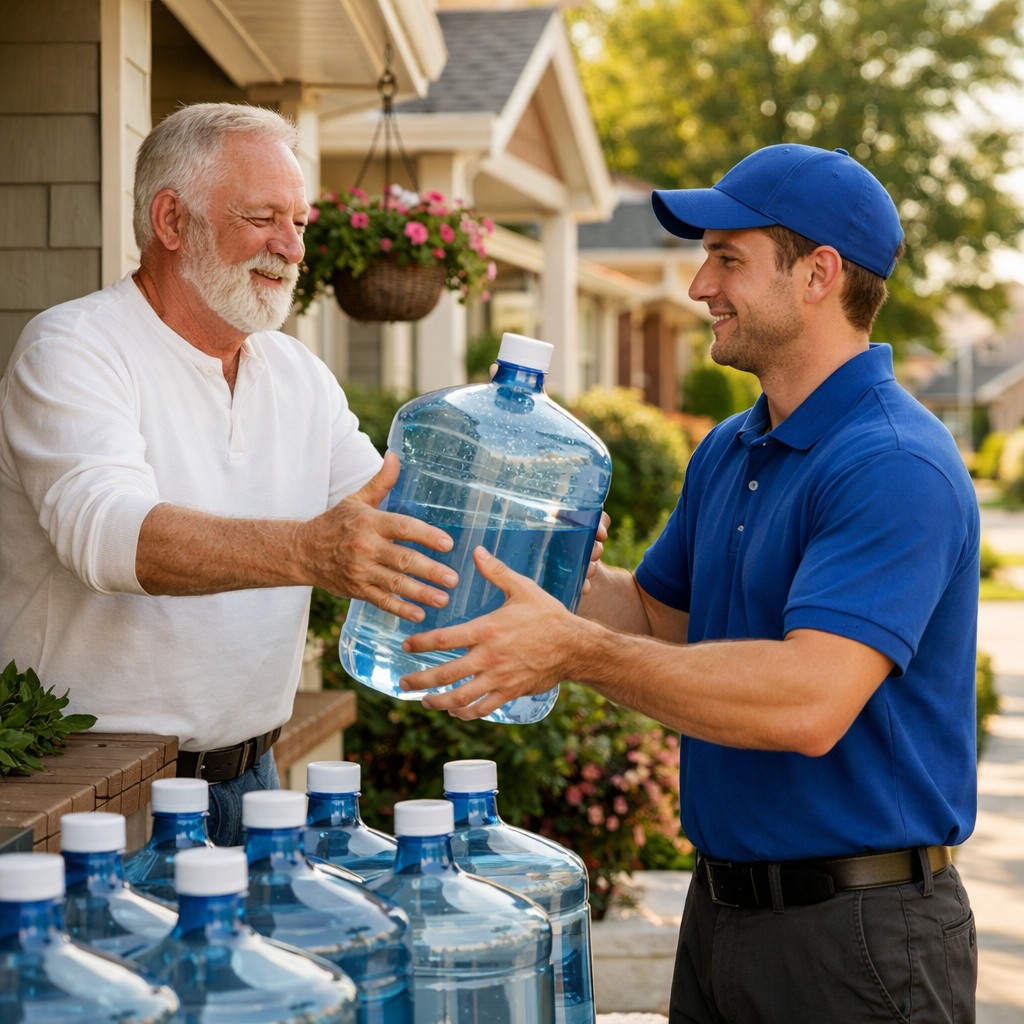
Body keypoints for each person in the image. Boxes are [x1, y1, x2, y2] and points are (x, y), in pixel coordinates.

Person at [399, 144, 980, 1023]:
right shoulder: (733, 448)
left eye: (728, 258)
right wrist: (519, 559)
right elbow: (659, 616)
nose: (699, 284)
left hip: (861, 939)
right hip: (723, 917)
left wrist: (574, 652)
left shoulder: (892, 464)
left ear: (818, 274)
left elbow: (807, 703)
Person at [0, 103, 460, 847]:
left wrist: (530, 530)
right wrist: (310, 552)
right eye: (263, 217)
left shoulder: (297, 373)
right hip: (102, 794)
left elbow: (393, 518)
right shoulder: (75, 346)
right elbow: (109, 536)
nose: (292, 247)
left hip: (257, 780)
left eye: (301, 223)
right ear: (172, 221)